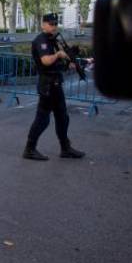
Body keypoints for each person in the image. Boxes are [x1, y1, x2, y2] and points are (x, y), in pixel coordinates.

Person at [23, 13, 86, 161]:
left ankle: (65, 148)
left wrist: (68, 63)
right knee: (42, 119)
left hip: (56, 84)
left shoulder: (53, 40)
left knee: (63, 117)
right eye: (50, 24)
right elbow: (45, 61)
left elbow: (56, 63)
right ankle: (29, 149)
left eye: (55, 24)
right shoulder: (41, 41)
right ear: (43, 24)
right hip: (47, 85)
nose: (53, 26)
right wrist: (58, 55)